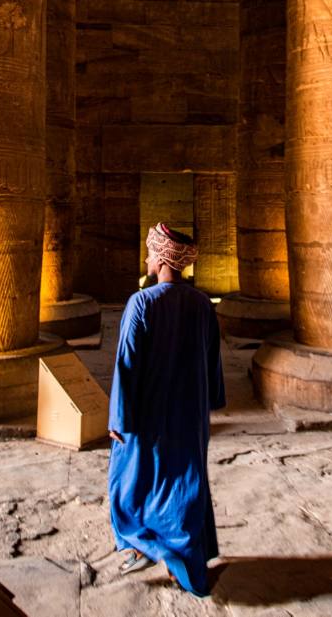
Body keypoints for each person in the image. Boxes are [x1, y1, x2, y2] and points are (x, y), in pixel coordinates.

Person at [108, 222, 226, 597]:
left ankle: (143, 546)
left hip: (148, 413)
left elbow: (126, 365)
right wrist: (212, 402)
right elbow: (213, 360)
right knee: (184, 484)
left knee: (128, 484)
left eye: (148, 253)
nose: (145, 258)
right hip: (189, 413)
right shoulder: (203, 304)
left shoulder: (141, 302)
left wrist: (119, 418)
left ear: (160, 260)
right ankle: (187, 565)